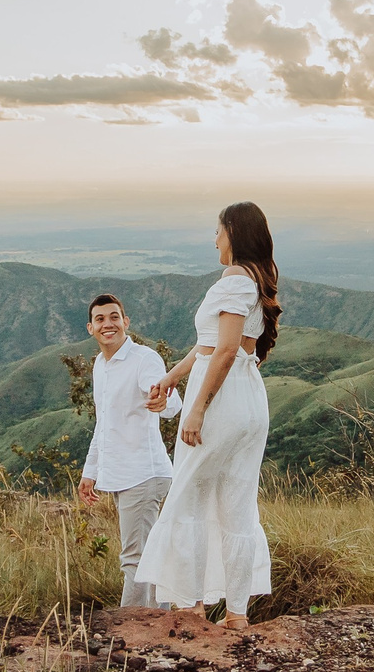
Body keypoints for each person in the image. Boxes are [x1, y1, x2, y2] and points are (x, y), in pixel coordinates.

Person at [138, 201, 282, 629]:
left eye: (217, 231)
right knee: (238, 504)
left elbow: (225, 350)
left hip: (221, 401)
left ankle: (191, 605)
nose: (214, 239)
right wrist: (172, 377)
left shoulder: (234, 278)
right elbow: (210, 345)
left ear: (233, 232)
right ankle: (236, 614)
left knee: (189, 498)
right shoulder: (255, 279)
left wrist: (197, 407)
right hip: (248, 399)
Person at [76, 292, 183, 606]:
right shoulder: (100, 365)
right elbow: (104, 425)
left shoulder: (143, 359)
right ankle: (160, 623)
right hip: (122, 475)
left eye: (114, 317)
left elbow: (168, 399)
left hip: (143, 474)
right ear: (91, 328)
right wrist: (90, 472)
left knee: (135, 559)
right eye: (100, 319)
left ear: (126, 322)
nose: (107, 324)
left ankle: (130, 627)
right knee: (147, 557)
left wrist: (162, 400)